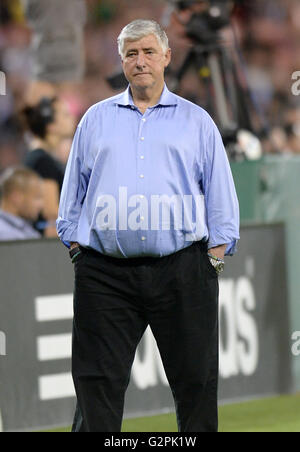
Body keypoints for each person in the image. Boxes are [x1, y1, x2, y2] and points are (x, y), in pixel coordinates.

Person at [57, 19, 240, 433]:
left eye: (148, 52)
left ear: (166, 58)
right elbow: (71, 200)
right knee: (95, 385)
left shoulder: (197, 122)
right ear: (121, 61)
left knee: (195, 382)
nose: (140, 61)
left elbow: (222, 201)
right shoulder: (94, 120)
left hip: (182, 269)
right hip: (104, 273)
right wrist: (77, 250)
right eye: (131, 54)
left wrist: (211, 260)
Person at [22, 95, 75, 237]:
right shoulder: (42, 160)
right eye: (65, 115)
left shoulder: (43, 157)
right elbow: (50, 210)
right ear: (51, 126)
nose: (72, 118)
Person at [0, 166, 43, 241]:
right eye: (37, 197)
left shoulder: (25, 226)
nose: (41, 205)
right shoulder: (5, 233)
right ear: (16, 197)